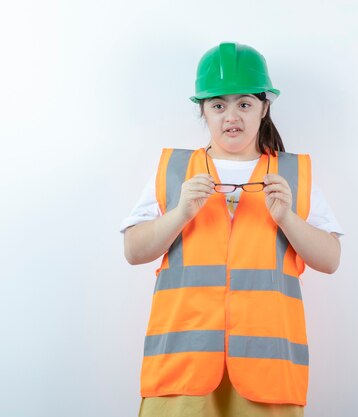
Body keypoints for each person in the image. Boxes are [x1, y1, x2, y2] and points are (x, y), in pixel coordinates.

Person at [120, 42, 344, 417]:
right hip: (182, 372)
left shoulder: (293, 175)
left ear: (264, 107)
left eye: (244, 103)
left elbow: (331, 260)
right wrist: (180, 214)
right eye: (218, 105)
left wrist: (287, 217)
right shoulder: (174, 170)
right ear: (203, 111)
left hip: (268, 377)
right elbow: (133, 251)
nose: (231, 116)